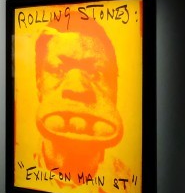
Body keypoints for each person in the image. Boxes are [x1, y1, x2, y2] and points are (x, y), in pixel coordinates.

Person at [34, 20, 123, 182]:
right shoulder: (18, 168)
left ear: (115, 89)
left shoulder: (127, 183)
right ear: (39, 83)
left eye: (96, 73)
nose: (77, 88)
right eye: (59, 69)